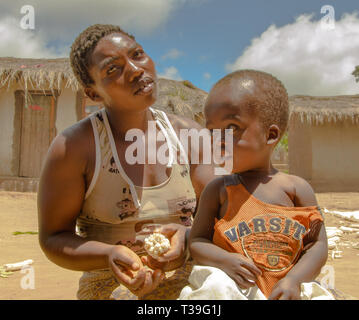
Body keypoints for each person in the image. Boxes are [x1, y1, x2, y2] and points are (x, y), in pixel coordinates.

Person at [37, 24, 214, 300]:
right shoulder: (74, 148)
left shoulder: (189, 136)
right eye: (112, 69)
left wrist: (188, 236)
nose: (135, 70)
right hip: (109, 284)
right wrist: (108, 254)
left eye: (138, 54)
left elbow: (223, 217)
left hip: (192, 281)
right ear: (93, 94)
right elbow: (53, 238)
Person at [187, 70, 329, 300]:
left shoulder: (296, 189)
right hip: (238, 289)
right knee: (215, 288)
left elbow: (317, 244)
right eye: (211, 131)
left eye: (231, 127)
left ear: (271, 135)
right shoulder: (218, 190)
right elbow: (197, 241)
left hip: (287, 289)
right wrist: (224, 260)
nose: (218, 139)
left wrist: (294, 279)